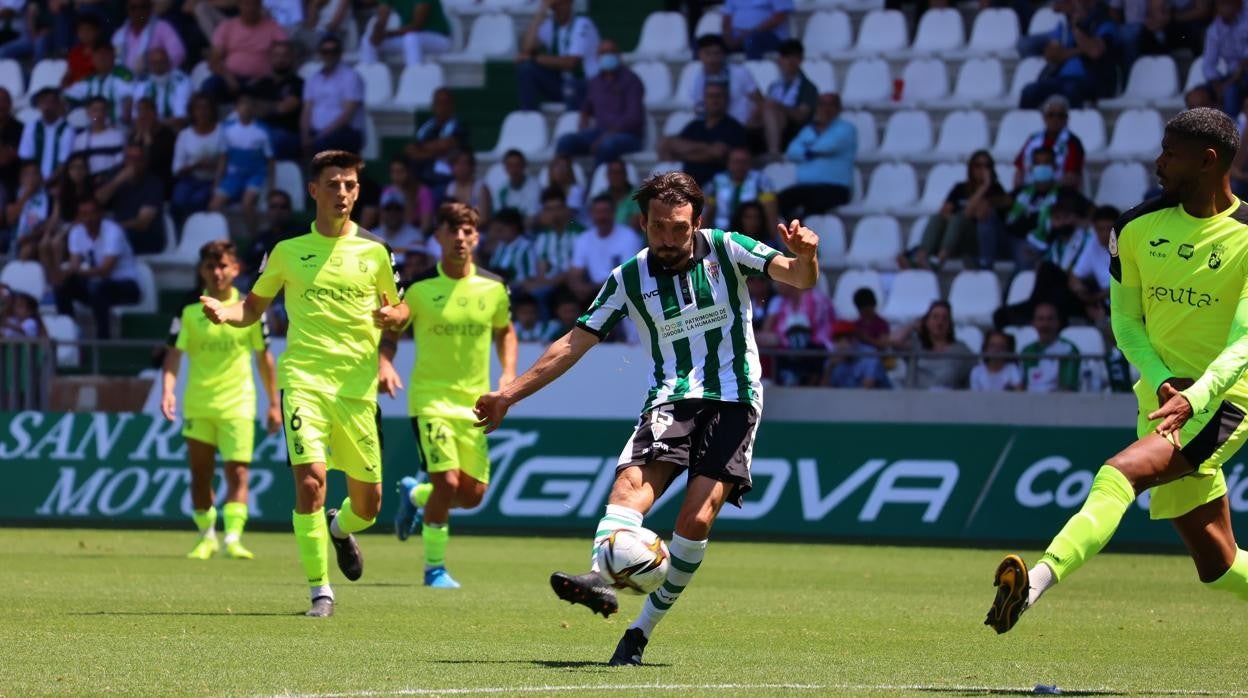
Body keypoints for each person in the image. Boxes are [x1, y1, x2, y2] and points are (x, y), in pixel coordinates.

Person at [472, 171, 820, 666]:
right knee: (627, 489)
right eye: (658, 226)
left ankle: (639, 631)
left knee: (695, 519)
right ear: (642, 223)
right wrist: (509, 394)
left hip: (735, 398)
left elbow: (797, 277)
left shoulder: (727, 248)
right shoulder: (628, 278)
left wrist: (806, 256)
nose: (668, 238)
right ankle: (601, 576)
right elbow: (574, 342)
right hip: (670, 399)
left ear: (696, 221)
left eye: (679, 227)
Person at [986, 108, 1248, 634]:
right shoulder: (1133, 227)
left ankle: (1033, 584)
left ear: (1207, 159)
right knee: (1217, 564)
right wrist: (1160, 379)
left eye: (1171, 153)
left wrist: (1195, 396)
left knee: (1119, 473)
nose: (1159, 161)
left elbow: (1244, 340)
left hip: (1224, 400)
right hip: (1161, 400)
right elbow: (1125, 322)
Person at [199, 150, 407, 617]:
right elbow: (250, 309)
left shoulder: (376, 252)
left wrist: (394, 315)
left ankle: (340, 528)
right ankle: (320, 591)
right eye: (333, 184)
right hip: (303, 381)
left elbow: (401, 310)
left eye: (350, 185)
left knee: (369, 506)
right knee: (311, 483)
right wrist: (225, 312)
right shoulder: (287, 251)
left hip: (356, 391)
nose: (343, 193)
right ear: (314, 190)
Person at [382, 202, 517, 588]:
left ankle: (416, 495)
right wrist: (384, 362)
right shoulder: (419, 287)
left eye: (468, 231)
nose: (460, 237)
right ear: (438, 236)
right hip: (430, 401)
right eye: (452, 230)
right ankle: (434, 568)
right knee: (448, 484)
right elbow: (393, 329)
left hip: (475, 403)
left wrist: (507, 372)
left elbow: (505, 331)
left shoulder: (494, 287)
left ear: (476, 237)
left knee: (473, 495)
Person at [161, 240, 280, 561]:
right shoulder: (188, 310)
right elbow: (174, 355)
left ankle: (233, 538)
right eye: (211, 267)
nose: (217, 272)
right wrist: (168, 390)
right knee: (200, 474)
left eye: (223, 265)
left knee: (238, 473)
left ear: (236, 269)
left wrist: (273, 402)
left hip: (239, 404)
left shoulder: (249, 311)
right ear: (201, 271)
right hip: (199, 404)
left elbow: (264, 358)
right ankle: (206, 536)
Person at [53, 197, 142, 339]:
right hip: (95, 286)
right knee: (62, 287)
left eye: (92, 213)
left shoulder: (113, 231)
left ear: (100, 214)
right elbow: (74, 265)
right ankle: (69, 333)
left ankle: (103, 340)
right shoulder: (76, 232)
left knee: (98, 288)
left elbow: (105, 270)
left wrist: (73, 270)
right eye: (84, 214)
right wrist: (61, 271)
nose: (88, 218)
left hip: (125, 286)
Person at [909, 150, 1008, 271]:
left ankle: (939, 261)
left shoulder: (995, 190)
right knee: (936, 218)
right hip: (953, 237)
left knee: (958, 219)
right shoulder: (960, 188)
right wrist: (954, 215)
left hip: (975, 241)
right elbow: (944, 211)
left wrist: (985, 186)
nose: (982, 169)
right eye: (978, 165)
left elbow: (970, 214)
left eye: (986, 166)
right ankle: (921, 257)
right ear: (971, 167)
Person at [555, 38, 645, 166]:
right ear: (597, 57)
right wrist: (584, 114)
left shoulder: (631, 81)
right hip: (600, 132)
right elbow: (589, 103)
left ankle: (595, 183)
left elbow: (634, 119)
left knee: (606, 146)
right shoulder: (595, 82)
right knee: (565, 142)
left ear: (619, 56)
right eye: (603, 53)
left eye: (611, 52)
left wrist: (608, 135)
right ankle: (565, 183)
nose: (607, 55)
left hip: (627, 136)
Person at [1018, 0, 1118, 109]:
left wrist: (1077, 28)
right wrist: (1080, 50)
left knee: (1071, 90)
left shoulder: (1104, 23)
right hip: (1060, 79)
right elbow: (1052, 55)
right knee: (1029, 91)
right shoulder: (1064, 26)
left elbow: (1095, 51)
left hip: (1091, 79)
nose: (1072, 5)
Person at [779, 93, 856, 218]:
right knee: (778, 202)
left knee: (810, 209)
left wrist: (807, 149)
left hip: (835, 188)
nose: (826, 108)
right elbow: (792, 151)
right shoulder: (808, 130)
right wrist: (811, 152)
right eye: (822, 104)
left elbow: (829, 146)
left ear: (839, 108)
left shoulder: (846, 129)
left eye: (830, 105)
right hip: (806, 188)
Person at [515, 0, 600, 111]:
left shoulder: (582, 24)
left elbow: (570, 63)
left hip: (588, 85)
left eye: (560, 5)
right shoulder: (551, 26)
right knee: (526, 69)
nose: (557, 9)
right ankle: (529, 116)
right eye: (553, 6)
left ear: (569, 3)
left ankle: (574, 122)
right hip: (564, 84)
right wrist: (541, 11)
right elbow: (526, 48)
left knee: (571, 86)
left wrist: (533, 58)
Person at [657, 83, 747, 187]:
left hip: (717, 190)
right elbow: (667, 146)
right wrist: (706, 148)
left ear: (726, 100)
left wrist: (684, 153)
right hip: (688, 189)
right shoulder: (694, 126)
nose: (714, 100)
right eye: (710, 96)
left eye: (718, 96)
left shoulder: (734, 128)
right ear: (704, 100)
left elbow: (719, 154)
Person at [209, 94, 274, 236]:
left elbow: (270, 159)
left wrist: (272, 185)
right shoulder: (227, 129)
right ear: (237, 109)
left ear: (254, 109)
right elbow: (223, 157)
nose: (245, 109)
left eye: (249, 105)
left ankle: (254, 238)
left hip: (255, 175)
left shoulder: (262, 130)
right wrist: (217, 182)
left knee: (247, 204)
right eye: (242, 105)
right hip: (234, 176)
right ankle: (224, 239)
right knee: (214, 205)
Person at [202, 0, 287, 104]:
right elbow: (214, 60)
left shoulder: (273, 27)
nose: (251, 8)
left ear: (260, 6)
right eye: (246, 4)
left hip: (262, 80)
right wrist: (228, 77)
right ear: (239, 5)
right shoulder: (227, 27)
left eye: (254, 4)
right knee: (209, 87)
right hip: (230, 78)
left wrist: (268, 74)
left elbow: (285, 54)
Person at [567, 194, 643, 303]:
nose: (602, 216)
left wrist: (590, 288)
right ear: (591, 214)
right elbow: (575, 272)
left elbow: (627, 276)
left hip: (623, 293)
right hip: (592, 295)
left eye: (605, 211)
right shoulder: (584, 238)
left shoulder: (629, 236)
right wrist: (578, 287)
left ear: (613, 213)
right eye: (598, 212)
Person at [95, 142, 167, 255]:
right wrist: (117, 181)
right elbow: (97, 201)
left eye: (137, 159)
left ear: (145, 161)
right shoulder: (116, 177)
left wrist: (113, 228)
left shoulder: (153, 184)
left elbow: (142, 223)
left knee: (114, 237)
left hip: (147, 237)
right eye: (129, 158)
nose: (133, 163)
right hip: (120, 231)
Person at [301, 34, 364, 155]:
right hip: (317, 133)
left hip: (344, 132)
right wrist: (304, 136)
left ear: (340, 53)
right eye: (325, 51)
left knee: (321, 145)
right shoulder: (313, 79)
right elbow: (306, 111)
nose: (329, 55)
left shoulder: (351, 77)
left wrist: (320, 136)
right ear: (320, 53)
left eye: (333, 51)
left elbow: (347, 115)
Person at [753, 38, 817, 158]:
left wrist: (777, 106)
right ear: (780, 60)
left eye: (795, 57)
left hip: (794, 131)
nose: (790, 61)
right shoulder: (774, 85)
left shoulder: (808, 88)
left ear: (800, 60)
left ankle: (774, 152)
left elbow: (800, 116)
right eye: (786, 57)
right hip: (771, 125)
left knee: (771, 111)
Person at [890, 300, 974, 390]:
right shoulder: (915, 345)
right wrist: (913, 325)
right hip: (915, 399)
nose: (939, 322)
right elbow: (893, 340)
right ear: (926, 321)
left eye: (944, 318)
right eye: (935, 317)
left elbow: (972, 376)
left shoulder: (960, 349)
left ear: (950, 324)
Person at [172, 93, 224, 224]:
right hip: (190, 179)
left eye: (206, 107)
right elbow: (176, 169)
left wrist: (215, 166)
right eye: (198, 108)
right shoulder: (185, 135)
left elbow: (228, 161)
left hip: (213, 181)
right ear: (192, 111)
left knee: (198, 201)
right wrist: (197, 165)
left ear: (212, 110)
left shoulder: (222, 132)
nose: (203, 112)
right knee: (178, 201)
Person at [1013, 95, 1086, 190]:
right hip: (1030, 191)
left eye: (1060, 115)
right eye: (1051, 115)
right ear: (1044, 117)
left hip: (1059, 193)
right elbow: (1020, 171)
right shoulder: (1033, 139)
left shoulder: (1073, 143)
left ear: (1066, 119)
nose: (1055, 120)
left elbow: (1072, 177)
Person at [404, 87, 470, 191]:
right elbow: (410, 149)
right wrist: (434, 151)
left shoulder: (459, 126)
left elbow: (445, 145)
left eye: (445, 103)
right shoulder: (426, 126)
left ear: (452, 106)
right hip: (421, 177)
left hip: (445, 180)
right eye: (438, 102)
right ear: (433, 105)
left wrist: (422, 149)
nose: (441, 107)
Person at [247, 40, 302, 161]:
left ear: (292, 58)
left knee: (269, 139)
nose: (280, 59)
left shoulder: (298, 83)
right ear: (270, 58)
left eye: (285, 56)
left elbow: (285, 108)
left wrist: (262, 106)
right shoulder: (262, 83)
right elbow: (249, 107)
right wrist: (273, 107)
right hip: (261, 129)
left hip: (287, 133)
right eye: (276, 55)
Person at [688, 34, 759, 126]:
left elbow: (760, 101)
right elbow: (698, 108)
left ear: (722, 55)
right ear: (700, 55)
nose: (712, 59)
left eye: (716, 54)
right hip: (709, 127)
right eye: (708, 54)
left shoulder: (740, 72)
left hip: (739, 126)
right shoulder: (695, 77)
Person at [1193, 0, 1248, 118]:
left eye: (1228, 4)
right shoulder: (1214, 30)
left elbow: (1245, 61)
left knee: (1230, 92)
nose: (1224, 9)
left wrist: (1230, 82)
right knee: (1196, 97)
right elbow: (1208, 65)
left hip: (1244, 74)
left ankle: (1232, 130)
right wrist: (1216, 84)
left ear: (1239, 4)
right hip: (1231, 76)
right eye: (1221, 4)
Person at [705, 147, 778, 233]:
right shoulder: (716, 181)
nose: (739, 166)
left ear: (750, 164)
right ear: (728, 163)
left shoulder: (761, 181)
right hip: (721, 233)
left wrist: (773, 239)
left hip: (751, 235)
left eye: (744, 162)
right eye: (736, 162)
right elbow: (707, 213)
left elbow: (771, 212)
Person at [359, 0, 451, 66]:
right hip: (408, 37)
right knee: (367, 41)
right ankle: (372, 85)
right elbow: (382, 20)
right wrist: (378, 31)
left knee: (411, 38)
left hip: (439, 38)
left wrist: (388, 34)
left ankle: (415, 78)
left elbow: (416, 26)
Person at [63, 42, 133, 127]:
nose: (102, 58)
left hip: (117, 127)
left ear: (113, 56)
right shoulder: (89, 80)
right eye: (98, 54)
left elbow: (128, 97)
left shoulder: (122, 74)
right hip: (93, 129)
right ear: (92, 59)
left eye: (105, 54)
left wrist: (126, 115)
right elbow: (66, 96)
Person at [112, 0, 185, 77]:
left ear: (150, 7)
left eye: (143, 7)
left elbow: (178, 54)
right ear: (127, 9)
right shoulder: (119, 35)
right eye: (133, 7)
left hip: (156, 81)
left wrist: (154, 65)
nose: (138, 12)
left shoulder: (162, 27)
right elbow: (114, 64)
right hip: (125, 82)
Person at [1019, 301, 1080, 392]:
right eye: (1041, 319)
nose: (1045, 324)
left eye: (1050, 319)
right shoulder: (1027, 350)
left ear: (1058, 322)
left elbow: (1068, 389)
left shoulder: (1068, 349)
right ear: (1033, 323)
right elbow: (1021, 386)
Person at [19, 88, 75, 182]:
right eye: (43, 102)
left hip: (58, 182)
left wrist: (49, 182)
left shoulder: (67, 129)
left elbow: (64, 163)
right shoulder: (31, 127)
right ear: (38, 105)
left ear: (58, 104)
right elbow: (26, 158)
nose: (47, 106)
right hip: (33, 182)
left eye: (51, 102)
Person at [823, 321, 889, 389]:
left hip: (876, 398)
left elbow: (867, 389)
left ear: (855, 339)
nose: (842, 344)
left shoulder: (869, 354)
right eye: (837, 340)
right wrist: (830, 368)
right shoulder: (833, 357)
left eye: (848, 339)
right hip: (845, 398)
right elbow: (824, 392)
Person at [71, 97, 126, 179]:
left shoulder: (117, 136)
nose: (98, 115)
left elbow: (121, 164)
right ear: (88, 113)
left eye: (102, 110)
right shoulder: (80, 140)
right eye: (95, 110)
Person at [482, 207, 535, 289]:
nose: (498, 233)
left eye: (501, 230)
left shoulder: (526, 248)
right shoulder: (500, 246)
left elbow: (530, 278)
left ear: (513, 227)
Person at [722, 0, 794, 59]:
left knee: (751, 41)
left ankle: (753, 73)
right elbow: (726, 18)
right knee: (715, 45)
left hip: (770, 36)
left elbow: (779, 17)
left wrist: (749, 33)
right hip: (738, 36)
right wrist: (728, 37)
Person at [492, 149, 541, 228]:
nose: (514, 170)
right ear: (505, 168)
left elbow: (532, 218)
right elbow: (498, 218)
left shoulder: (535, 187)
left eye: (517, 165)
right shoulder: (501, 189)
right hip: (507, 232)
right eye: (510, 166)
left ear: (524, 166)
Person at [443, 151, 492, 222]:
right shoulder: (450, 187)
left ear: (472, 166)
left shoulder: (480, 188)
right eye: (457, 163)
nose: (461, 167)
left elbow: (483, 219)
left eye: (464, 163)